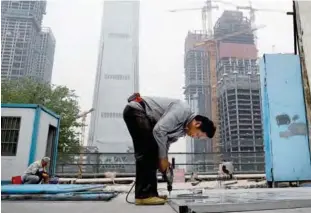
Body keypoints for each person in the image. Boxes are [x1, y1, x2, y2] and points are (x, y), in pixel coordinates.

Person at [123, 93, 216, 205]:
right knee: (149, 150)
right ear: (197, 124)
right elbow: (159, 130)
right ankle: (144, 195)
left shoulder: (181, 131)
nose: (195, 137)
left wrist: (164, 162)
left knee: (154, 150)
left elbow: (165, 142)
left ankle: (151, 193)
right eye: (198, 135)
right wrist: (163, 158)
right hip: (137, 111)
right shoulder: (182, 110)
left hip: (146, 118)